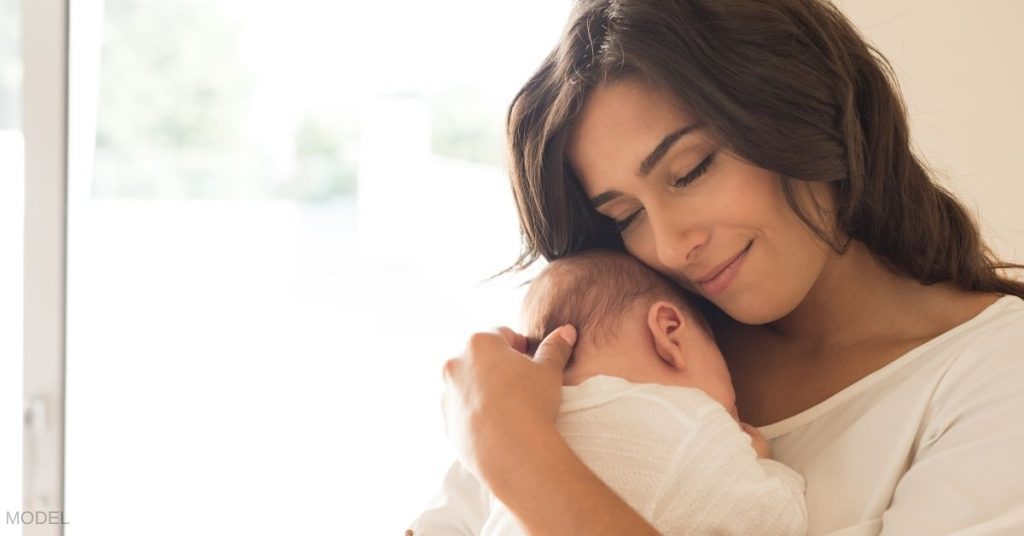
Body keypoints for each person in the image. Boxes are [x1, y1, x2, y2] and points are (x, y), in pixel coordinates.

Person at [439, 0, 1024, 534]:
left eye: (691, 170)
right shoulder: (634, 348)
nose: (670, 247)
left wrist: (514, 456)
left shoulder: (993, 375)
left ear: (799, 108)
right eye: (625, 215)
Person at [412, 249, 808, 535]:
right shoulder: (690, 422)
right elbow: (776, 519)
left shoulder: (504, 434)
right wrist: (760, 464)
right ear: (670, 332)